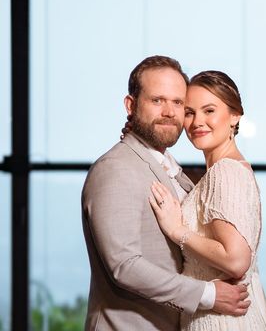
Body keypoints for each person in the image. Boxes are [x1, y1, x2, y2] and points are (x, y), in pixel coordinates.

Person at [81, 56, 250, 331]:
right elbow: (124, 265)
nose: (170, 112)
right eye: (157, 100)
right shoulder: (115, 168)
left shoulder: (171, 169)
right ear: (131, 105)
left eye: (178, 103)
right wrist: (208, 295)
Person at [148, 70, 266, 330]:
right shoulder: (228, 169)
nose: (198, 121)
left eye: (209, 111)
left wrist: (177, 231)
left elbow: (236, 260)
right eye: (189, 112)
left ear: (235, 116)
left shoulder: (225, 172)